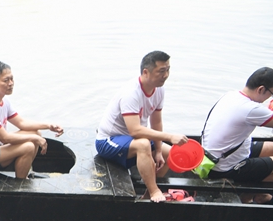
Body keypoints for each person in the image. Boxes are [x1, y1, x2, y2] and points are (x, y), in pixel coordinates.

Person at [95, 51, 188, 202]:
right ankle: (154, 191)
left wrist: (158, 150)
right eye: (161, 71)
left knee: (170, 153)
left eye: (168, 70)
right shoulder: (131, 93)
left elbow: (156, 122)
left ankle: (147, 191)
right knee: (143, 144)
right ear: (146, 72)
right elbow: (135, 130)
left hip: (132, 140)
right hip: (108, 141)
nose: (166, 75)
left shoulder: (159, 89)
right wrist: (170, 136)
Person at [0, 62, 64, 179]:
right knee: (29, 146)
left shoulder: (3, 100)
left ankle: (23, 172)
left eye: (11, 79)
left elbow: (21, 123)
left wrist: (48, 125)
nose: (11, 83)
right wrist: (35, 139)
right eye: (6, 80)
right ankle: (20, 184)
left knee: (36, 132)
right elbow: (5, 138)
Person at [201, 67, 273, 204]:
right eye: (271, 94)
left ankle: (253, 195)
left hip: (213, 160)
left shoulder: (231, 95)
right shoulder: (251, 108)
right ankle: (259, 197)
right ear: (261, 89)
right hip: (224, 169)